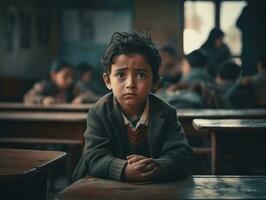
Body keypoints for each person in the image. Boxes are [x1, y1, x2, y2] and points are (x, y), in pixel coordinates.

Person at [72, 32, 193, 182]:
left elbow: (181, 153)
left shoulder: (165, 112)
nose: (130, 84)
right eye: (121, 75)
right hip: (102, 185)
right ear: (107, 80)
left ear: (155, 81)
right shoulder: (99, 112)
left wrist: (158, 166)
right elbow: (95, 157)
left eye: (141, 75)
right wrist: (124, 170)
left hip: (153, 187)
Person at [24, 61, 90, 105]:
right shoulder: (43, 86)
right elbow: (28, 97)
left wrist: (82, 99)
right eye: (65, 76)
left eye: (72, 76)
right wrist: (43, 100)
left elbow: (89, 95)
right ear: (54, 75)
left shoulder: (74, 88)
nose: (70, 80)